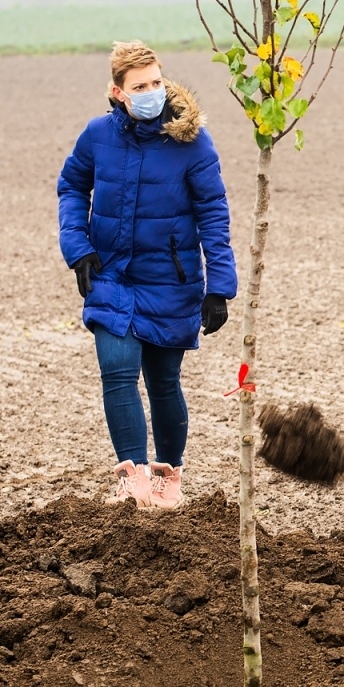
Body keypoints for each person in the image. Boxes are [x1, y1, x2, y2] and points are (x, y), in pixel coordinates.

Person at [57, 41, 237, 509]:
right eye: (140, 86)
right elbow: (72, 186)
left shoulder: (190, 140)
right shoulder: (97, 135)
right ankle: (131, 479)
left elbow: (214, 211)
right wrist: (78, 249)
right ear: (118, 92)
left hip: (170, 278)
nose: (152, 91)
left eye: (157, 82)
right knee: (117, 371)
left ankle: (167, 478)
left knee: (163, 381)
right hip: (112, 275)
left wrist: (219, 287)